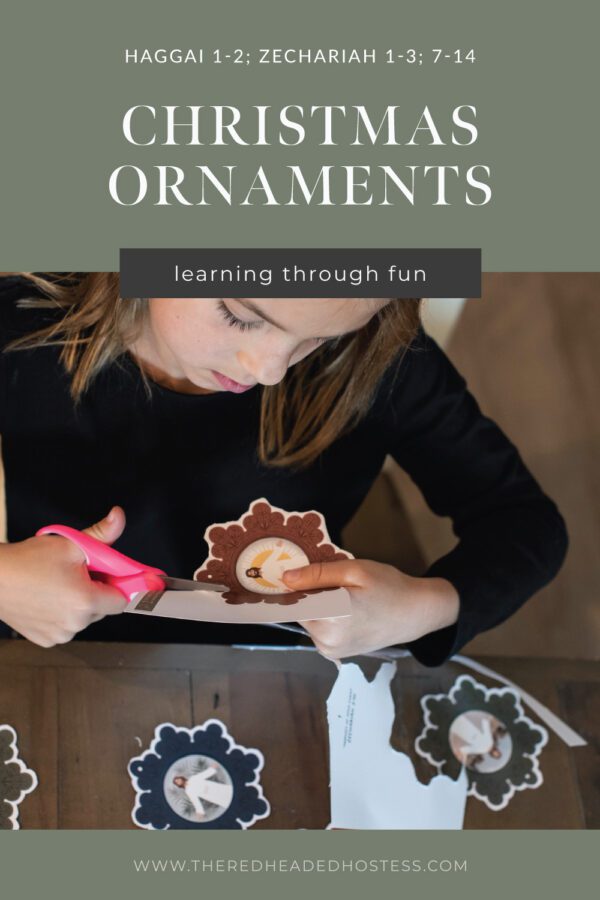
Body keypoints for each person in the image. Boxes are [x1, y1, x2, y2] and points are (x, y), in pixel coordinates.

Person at [0, 274, 568, 663]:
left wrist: (425, 606)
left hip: (264, 671)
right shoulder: (18, 326)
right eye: (240, 315)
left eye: (320, 337)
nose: (270, 370)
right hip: (35, 655)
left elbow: (524, 522)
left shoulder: (380, 360)